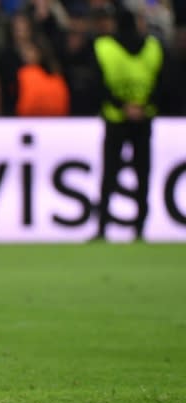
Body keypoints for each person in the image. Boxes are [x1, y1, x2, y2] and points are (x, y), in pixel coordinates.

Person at [92, 4, 163, 241]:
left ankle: (102, 228)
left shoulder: (104, 47)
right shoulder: (153, 47)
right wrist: (142, 105)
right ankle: (140, 228)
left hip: (116, 118)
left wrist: (123, 105)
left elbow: (98, 84)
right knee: (143, 174)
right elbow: (164, 82)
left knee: (110, 174)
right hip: (144, 117)